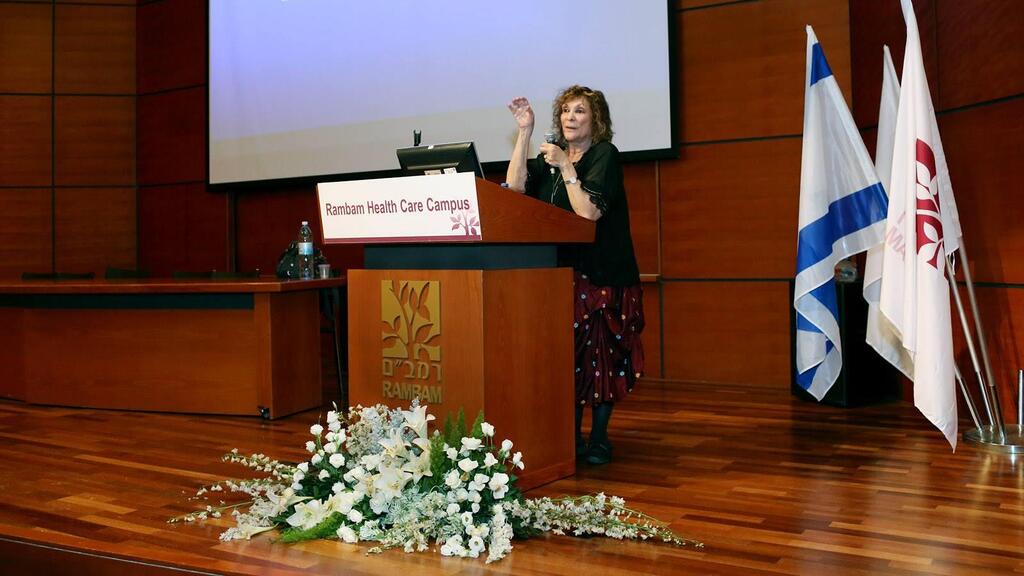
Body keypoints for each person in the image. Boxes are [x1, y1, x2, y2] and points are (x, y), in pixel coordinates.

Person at [505, 85, 643, 466]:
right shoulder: (548, 158)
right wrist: (524, 133)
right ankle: (569, 438)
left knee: (600, 359)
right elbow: (515, 188)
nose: (570, 117)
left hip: (602, 275)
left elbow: (588, 215)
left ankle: (598, 439)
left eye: (579, 111)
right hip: (558, 276)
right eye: (565, 111)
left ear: (595, 120)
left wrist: (566, 166)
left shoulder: (604, 155)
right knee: (566, 360)